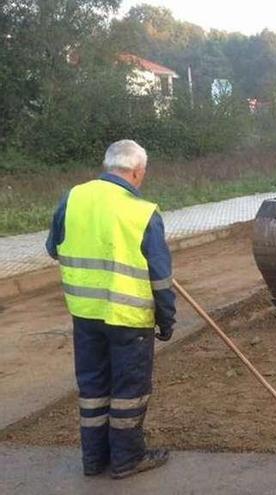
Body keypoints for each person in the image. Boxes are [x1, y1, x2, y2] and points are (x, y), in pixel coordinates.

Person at [46, 140, 176, 479]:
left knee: (93, 388)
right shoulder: (142, 213)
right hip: (129, 319)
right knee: (129, 391)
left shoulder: (72, 198)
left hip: (85, 314)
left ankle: (94, 459)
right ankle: (128, 458)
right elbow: (160, 280)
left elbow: (52, 247)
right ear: (135, 172)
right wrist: (166, 318)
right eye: (142, 175)